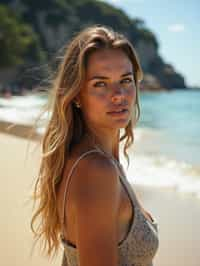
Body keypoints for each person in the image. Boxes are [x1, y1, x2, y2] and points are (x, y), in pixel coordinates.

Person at [31, 25, 159, 266]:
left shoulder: (95, 161)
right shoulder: (95, 171)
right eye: (100, 83)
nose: (119, 94)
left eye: (126, 80)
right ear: (76, 94)